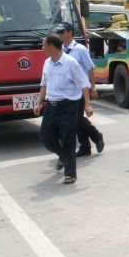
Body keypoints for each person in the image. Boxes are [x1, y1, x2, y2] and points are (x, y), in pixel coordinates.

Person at [33, 34, 93, 184]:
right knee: (46, 138)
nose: (42, 47)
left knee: (68, 139)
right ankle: (63, 156)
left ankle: (70, 173)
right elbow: (44, 85)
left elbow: (83, 83)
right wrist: (39, 102)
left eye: (43, 44)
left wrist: (87, 104)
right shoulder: (47, 63)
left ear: (52, 46)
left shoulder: (71, 62)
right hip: (51, 107)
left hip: (68, 106)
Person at [56, 22, 104, 157]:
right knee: (75, 119)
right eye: (58, 32)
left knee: (76, 118)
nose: (59, 34)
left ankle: (96, 136)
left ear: (70, 32)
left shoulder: (80, 49)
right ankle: (85, 147)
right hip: (67, 91)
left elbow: (90, 69)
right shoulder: (60, 49)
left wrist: (92, 88)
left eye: (62, 32)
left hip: (81, 89)